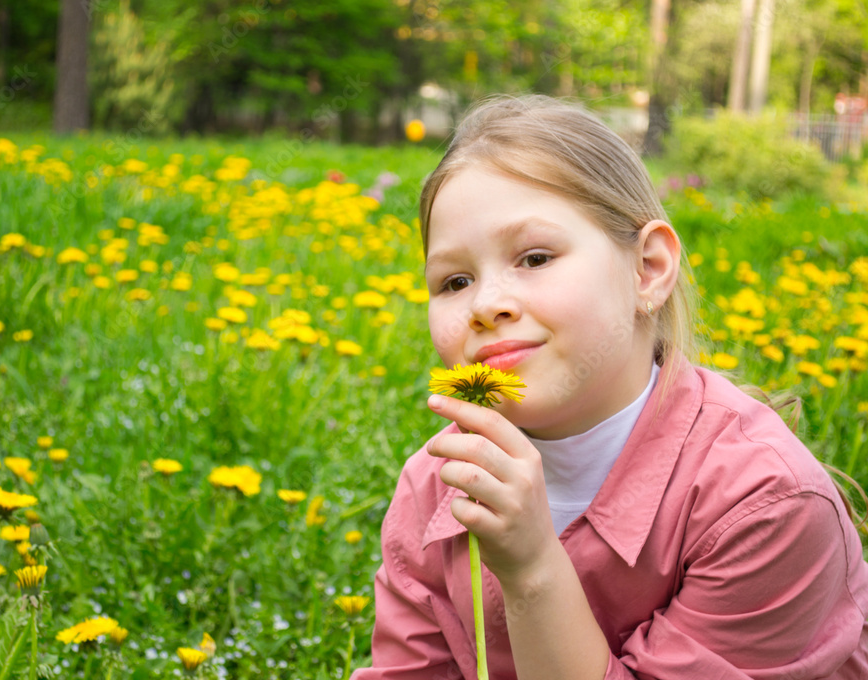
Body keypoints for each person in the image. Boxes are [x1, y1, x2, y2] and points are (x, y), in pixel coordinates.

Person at [351, 94, 868, 679]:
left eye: (535, 257)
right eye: (455, 281)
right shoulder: (434, 488)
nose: (486, 304)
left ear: (647, 269)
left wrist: (531, 568)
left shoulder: (764, 506)